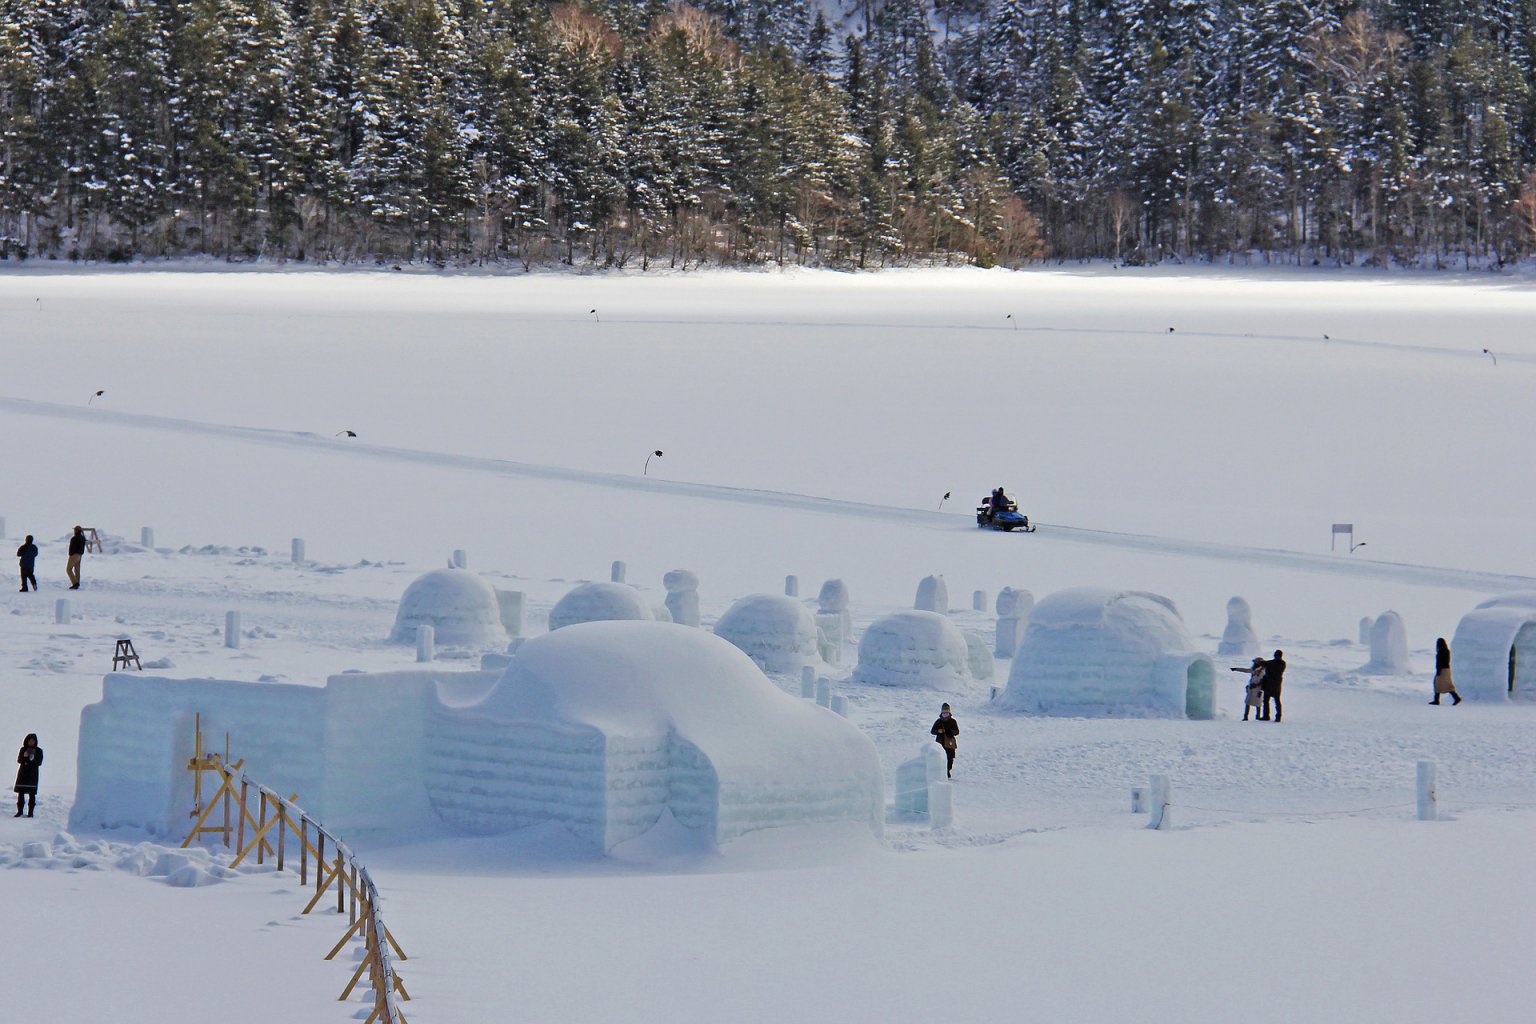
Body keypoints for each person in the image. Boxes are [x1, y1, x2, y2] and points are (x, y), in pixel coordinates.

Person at [14, 734, 42, 818]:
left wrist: (32, 760)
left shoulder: (39, 751)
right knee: (21, 793)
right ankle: (19, 812)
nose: (31, 742)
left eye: (33, 741)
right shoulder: (23, 749)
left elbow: (39, 762)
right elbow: (19, 760)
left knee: (32, 794)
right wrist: (25, 757)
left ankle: (30, 813)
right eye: (30, 740)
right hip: (23, 774)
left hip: (32, 775)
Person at [1430, 637, 1462, 705]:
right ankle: (1456, 698)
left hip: (1442, 670)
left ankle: (1437, 700)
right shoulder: (1447, 651)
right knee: (1447, 685)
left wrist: (1438, 670)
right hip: (1447, 670)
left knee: (1437, 684)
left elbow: (1440, 662)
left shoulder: (1441, 651)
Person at [930, 703, 959, 778]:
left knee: (950, 758)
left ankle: (947, 771)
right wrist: (938, 731)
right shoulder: (938, 721)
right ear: (941, 713)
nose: (945, 715)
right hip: (940, 743)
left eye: (947, 713)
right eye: (944, 713)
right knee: (940, 758)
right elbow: (932, 731)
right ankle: (940, 772)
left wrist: (951, 731)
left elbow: (957, 731)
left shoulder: (953, 721)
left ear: (949, 713)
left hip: (950, 744)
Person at [1261, 649, 1286, 722]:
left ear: (1275, 655)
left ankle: (1266, 716)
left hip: (1268, 685)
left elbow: (1263, 663)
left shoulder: (1270, 663)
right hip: (1277, 685)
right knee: (1277, 701)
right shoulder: (1283, 664)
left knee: (1266, 701)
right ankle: (1278, 717)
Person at [66, 525, 86, 589]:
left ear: (77, 531)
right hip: (80, 555)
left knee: (68, 569)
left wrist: (70, 554)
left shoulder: (74, 538)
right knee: (77, 570)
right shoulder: (83, 538)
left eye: (74, 530)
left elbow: (72, 548)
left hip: (74, 555)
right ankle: (77, 582)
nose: (74, 531)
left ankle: (75, 583)